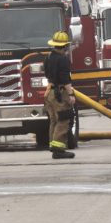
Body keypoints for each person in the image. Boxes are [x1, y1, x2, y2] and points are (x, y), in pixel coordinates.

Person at [43, 30, 75, 159]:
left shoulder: (48, 57)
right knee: (63, 119)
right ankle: (58, 150)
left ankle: (53, 145)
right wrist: (71, 94)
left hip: (50, 93)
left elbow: (47, 75)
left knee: (54, 121)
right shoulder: (63, 59)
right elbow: (65, 79)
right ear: (65, 46)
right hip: (60, 94)